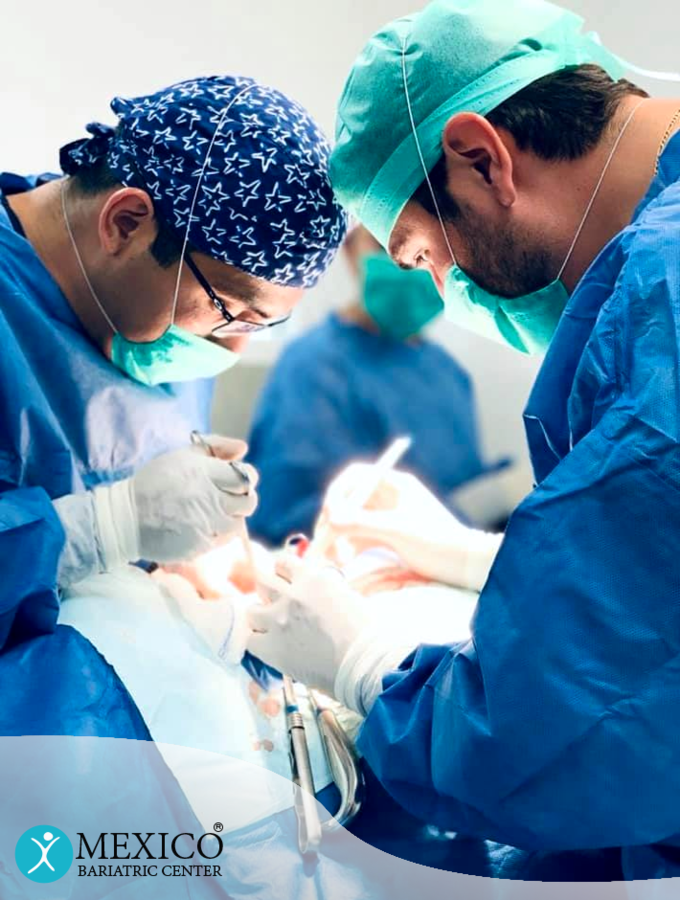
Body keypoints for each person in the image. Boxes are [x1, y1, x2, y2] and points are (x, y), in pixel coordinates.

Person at [246, 0, 680, 881]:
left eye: (420, 254)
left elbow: (554, 739)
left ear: (482, 159)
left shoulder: (661, 298)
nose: (444, 291)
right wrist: (478, 557)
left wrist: (363, 663)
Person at [0, 74, 346, 737]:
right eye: (230, 310)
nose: (234, 348)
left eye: (263, 326)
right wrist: (109, 525)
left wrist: (189, 558)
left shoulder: (157, 318)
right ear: (126, 223)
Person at [247, 224, 492, 547]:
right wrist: (409, 531)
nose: (409, 264)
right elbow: (283, 516)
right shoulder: (313, 366)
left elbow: (468, 493)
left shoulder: (448, 371)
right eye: (386, 243)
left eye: (428, 251)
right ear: (349, 251)